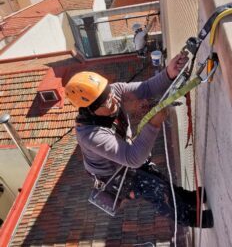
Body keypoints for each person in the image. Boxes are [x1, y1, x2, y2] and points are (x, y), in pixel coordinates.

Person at [65, 52, 214, 228]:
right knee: (157, 191)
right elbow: (133, 159)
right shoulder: (90, 135)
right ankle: (194, 219)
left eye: (109, 92)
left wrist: (169, 73)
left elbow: (145, 88)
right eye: (105, 101)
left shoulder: (111, 93)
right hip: (113, 174)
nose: (112, 100)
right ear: (90, 109)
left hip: (125, 156)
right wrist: (154, 124)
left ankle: (191, 198)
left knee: (159, 179)